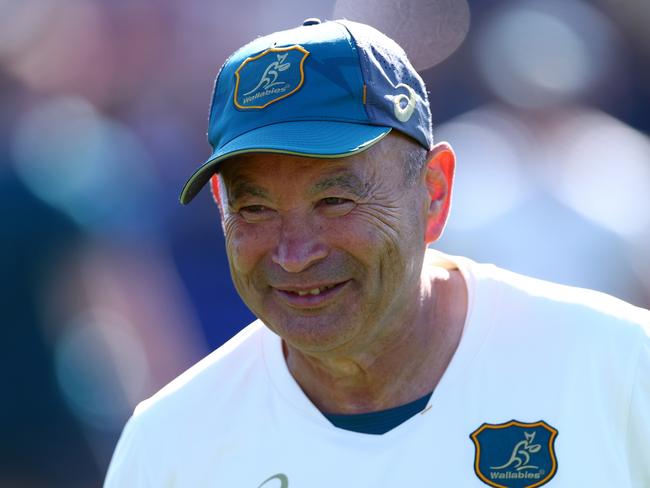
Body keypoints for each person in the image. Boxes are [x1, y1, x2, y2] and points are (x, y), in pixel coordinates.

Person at [105, 19, 649, 487]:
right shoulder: (170, 447)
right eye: (255, 210)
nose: (294, 254)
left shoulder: (620, 367)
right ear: (221, 208)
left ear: (433, 192)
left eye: (335, 200)